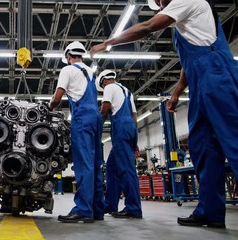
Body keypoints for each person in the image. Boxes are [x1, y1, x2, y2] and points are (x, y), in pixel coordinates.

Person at [90, 0, 238, 228]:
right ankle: (210, 211)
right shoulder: (184, 24)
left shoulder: (187, 0)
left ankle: (209, 211)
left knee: (233, 141)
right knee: (203, 148)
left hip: (217, 75)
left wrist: (108, 43)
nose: (158, 5)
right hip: (200, 83)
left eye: (159, 1)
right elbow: (188, 62)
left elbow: (147, 26)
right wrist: (178, 91)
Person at [49, 41, 105, 223]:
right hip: (96, 117)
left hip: (82, 118)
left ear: (68, 56)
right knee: (95, 163)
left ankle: (83, 209)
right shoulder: (90, 71)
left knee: (84, 164)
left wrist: (49, 107)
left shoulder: (68, 70)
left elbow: (58, 97)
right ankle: (97, 209)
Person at [97, 70, 142, 218]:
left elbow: (104, 109)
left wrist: (96, 129)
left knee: (126, 169)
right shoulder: (127, 91)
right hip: (130, 128)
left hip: (121, 128)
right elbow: (135, 115)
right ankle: (110, 205)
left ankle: (133, 208)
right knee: (111, 167)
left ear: (104, 81)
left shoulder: (109, 88)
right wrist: (134, 140)